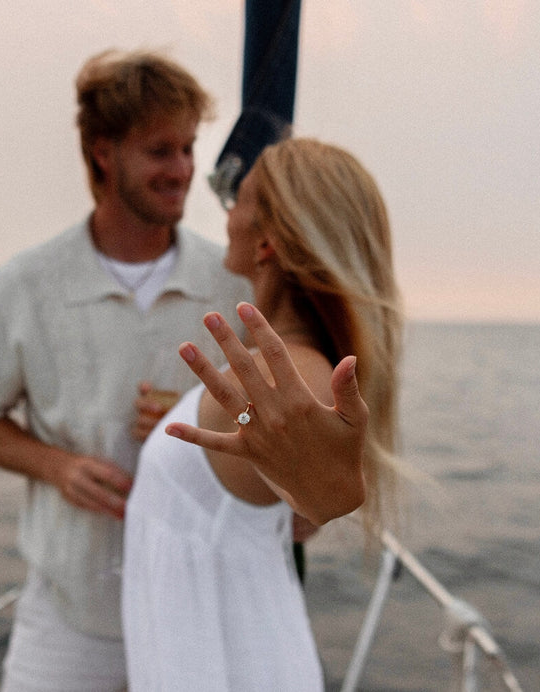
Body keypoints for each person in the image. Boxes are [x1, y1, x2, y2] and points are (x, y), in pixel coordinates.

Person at [0, 48, 251, 692]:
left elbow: (268, 424)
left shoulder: (235, 283)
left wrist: (204, 416)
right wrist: (57, 466)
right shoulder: (22, 286)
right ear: (102, 152)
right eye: (159, 151)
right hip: (69, 613)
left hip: (202, 603)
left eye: (187, 148)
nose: (182, 171)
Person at [122, 137, 404, 690]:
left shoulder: (287, 374)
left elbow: (330, 493)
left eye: (240, 199)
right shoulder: (277, 372)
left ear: (269, 240)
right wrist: (185, 446)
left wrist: (327, 490)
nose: (228, 215)